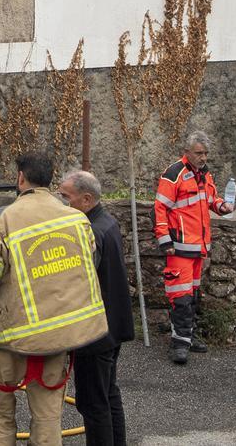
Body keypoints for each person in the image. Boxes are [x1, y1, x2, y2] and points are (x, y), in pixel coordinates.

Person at [0, 153, 108, 446]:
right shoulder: (77, 220)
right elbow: (87, 266)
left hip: (5, 343)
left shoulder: (5, 220)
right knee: (48, 422)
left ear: (20, 178)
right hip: (55, 343)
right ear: (51, 180)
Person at [58, 170, 135, 446]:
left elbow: (80, 279)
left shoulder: (90, 232)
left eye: (66, 197)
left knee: (93, 404)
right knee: (108, 394)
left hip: (95, 333)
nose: (61, 202)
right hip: (112, 327)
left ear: (87, 199)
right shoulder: (107, 222)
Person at [154, 131, 233, 365]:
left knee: (193, 296)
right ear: (187, 152)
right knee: (181, 297)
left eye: (206, 153)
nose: (203, 157)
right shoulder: (174, 173)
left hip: (197, 248)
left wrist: (222, 207)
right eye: (199, 153)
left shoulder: (204, 175)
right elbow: (160, 209)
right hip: (179, 247)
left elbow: (210, 201)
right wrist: (164, 241)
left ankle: (188, 336)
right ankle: (179, 344)